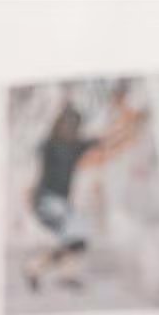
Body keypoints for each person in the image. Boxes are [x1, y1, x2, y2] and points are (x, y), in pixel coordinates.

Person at [23, 95, 146, 293]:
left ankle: (39, 268)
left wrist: (131, 126)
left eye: (74, 126)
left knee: (77, 241)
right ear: (59, 125)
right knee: (76, 236)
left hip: (58, 203)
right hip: (46, 201)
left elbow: (107, 140)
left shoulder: (75, 146)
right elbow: (34, 161)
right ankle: (60, 272)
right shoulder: (49, 145)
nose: (70, 129)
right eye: (67, 125)